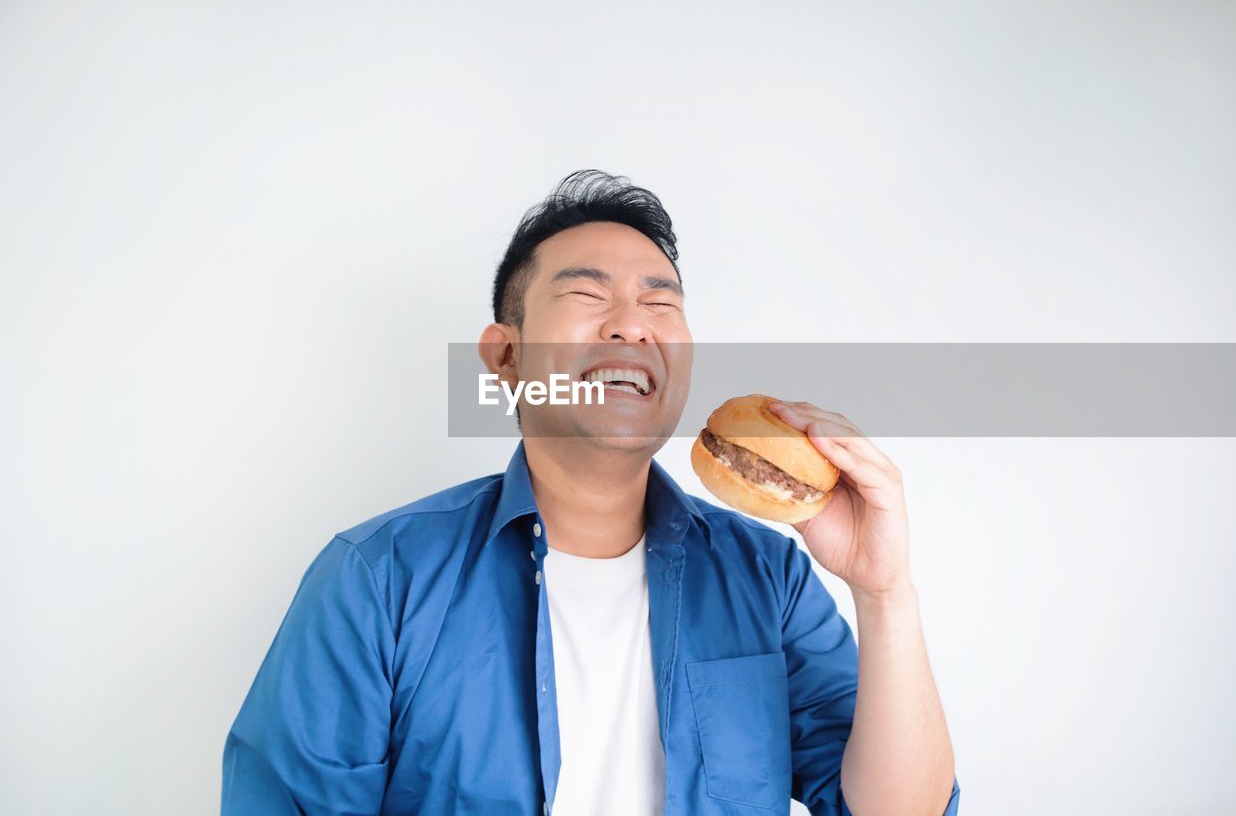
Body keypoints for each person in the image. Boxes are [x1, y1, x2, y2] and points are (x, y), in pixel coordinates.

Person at [221, 169, 960, 815]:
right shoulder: (378, 579)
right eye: (585, 292)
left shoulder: (769, 580)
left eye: (661, 303)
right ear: (506, 357)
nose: (632, 325)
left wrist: (883, 589)